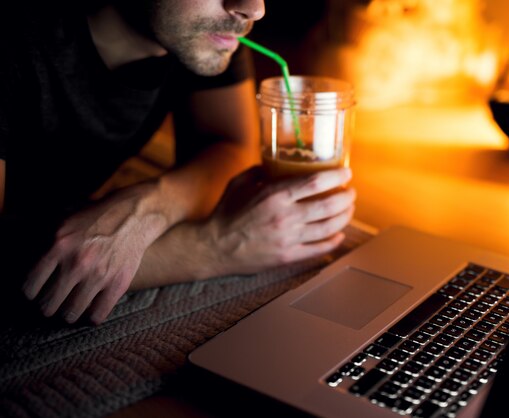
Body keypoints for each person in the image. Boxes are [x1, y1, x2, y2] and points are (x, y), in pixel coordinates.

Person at [0, 0, 356, 325]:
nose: (254, 8)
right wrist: (213, 246)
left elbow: (230, 145)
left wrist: (150, 207)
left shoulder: (199, 29)